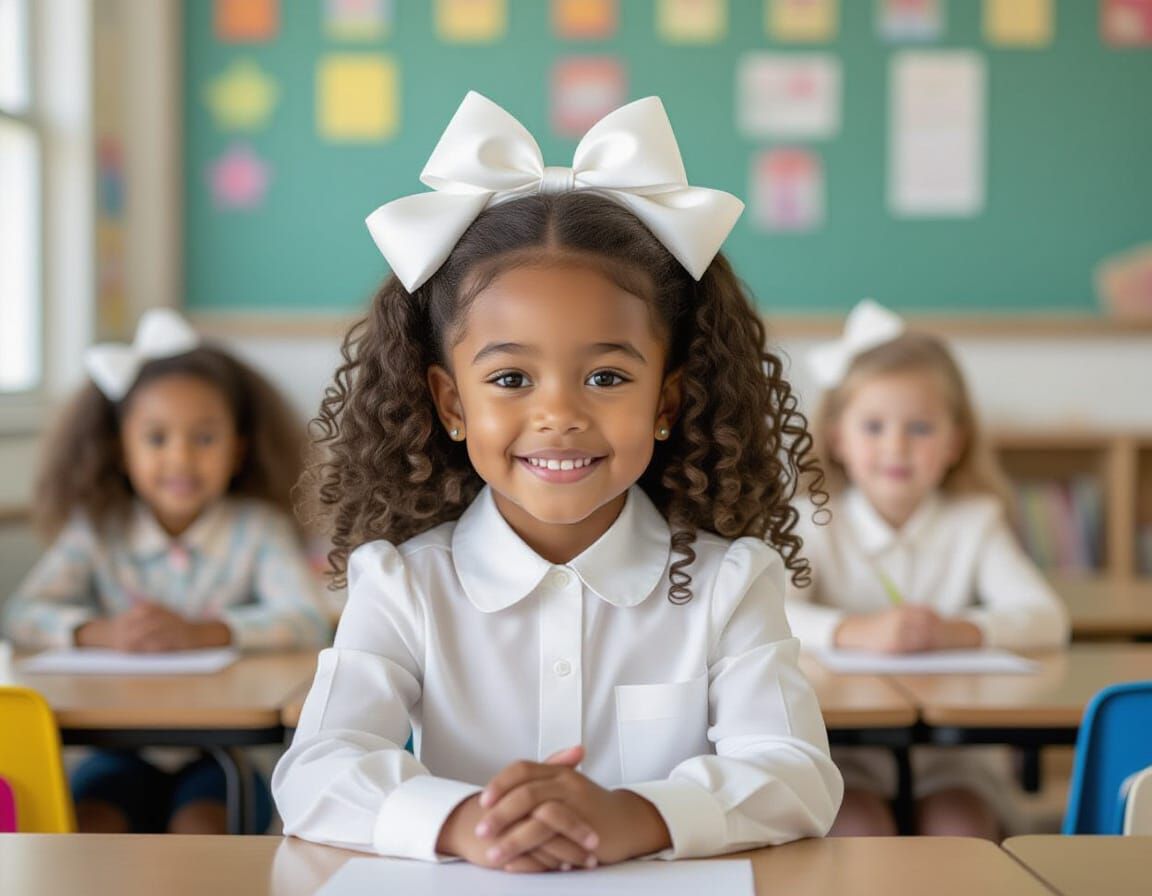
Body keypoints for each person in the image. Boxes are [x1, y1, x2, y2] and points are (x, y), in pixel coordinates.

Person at [272, 92, 842, 872]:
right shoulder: (402, 583)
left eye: (607, 375)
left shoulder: (731, 582)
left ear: (667, 400)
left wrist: (636, 816)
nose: (559, 415)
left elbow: (798, 774)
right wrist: (465, 822)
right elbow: (314, 772)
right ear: (451, 403)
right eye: (510, 377)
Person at [4, 308, 330, 834]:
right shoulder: (98, 530)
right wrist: (95, 631)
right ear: (121, 448)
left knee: (200, 827)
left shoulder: (257, 529)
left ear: (238, 448)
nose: (180, 459)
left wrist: (205, 633)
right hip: (119, 753)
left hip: (220, 755)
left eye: (203, 439)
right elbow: (23, 615)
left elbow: (307, 618)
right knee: (92, 827)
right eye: (156, 439)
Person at [786, 299, 1069, 838]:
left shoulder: (974, 523)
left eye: (919, 427)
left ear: (955, 442)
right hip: (842, 754)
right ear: (839, 437)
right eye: (873, 426)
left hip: (954, 763)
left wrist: (956, 631)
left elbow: (1046, 617)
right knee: (858, 831)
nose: (896, 446)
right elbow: (769, 612)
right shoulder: (812, 522)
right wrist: (852, 630)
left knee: (957, 829)